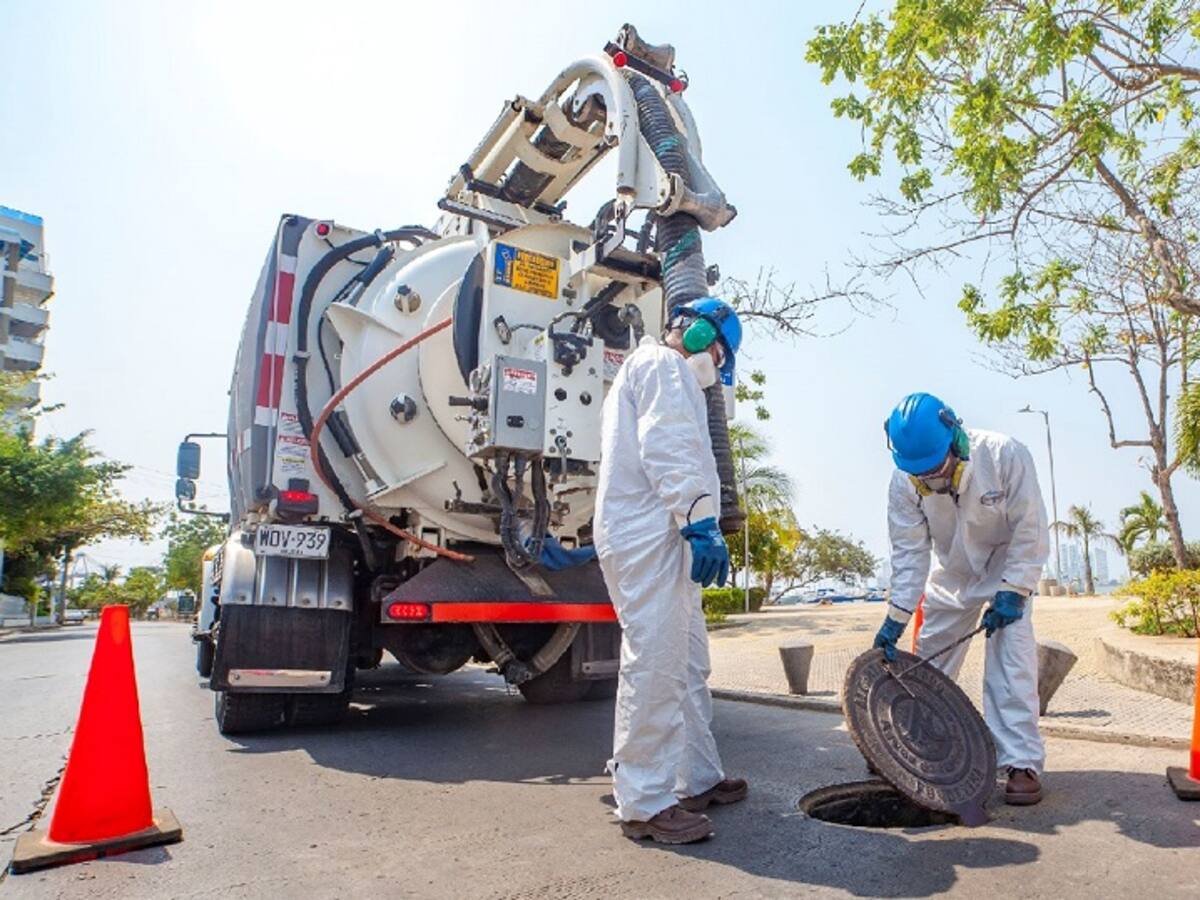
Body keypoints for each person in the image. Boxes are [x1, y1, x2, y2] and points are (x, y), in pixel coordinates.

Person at [593, 297, 748, 844]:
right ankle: (644, 801)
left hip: (660, 533)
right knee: (656, 663)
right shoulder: (663, 365)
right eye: (721, 351)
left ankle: (696, 777)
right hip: (651, 535)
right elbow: (670, 446)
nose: (717, 364)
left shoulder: (655, 368)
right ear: (704, 334)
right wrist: (698, 521)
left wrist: (693, 520)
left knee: (686, 661)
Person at [873, 392, 1050, 805]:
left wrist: (1014, 590)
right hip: (950, 575)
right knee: (927, 665)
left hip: (1006, 573)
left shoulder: (1005, 455)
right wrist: (896, 616)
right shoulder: (904, 483)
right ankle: (918, 747)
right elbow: (910, 554)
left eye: (936, 469)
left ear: (956, 441)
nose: (931, 480)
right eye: (921, 474)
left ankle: (1021, 762)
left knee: (1011, 663)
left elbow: (1031, 528)